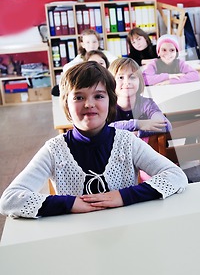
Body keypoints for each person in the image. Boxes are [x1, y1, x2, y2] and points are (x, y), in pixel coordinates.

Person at [0, 61, 187, 218]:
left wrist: (123, 196)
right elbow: (9, 200)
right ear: (66, 104)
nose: (89, 104)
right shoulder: (54, 150)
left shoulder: (127, 142)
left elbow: (176, 175)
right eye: (79, 97)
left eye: (98, 96)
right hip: (76, 237)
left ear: (110, 101)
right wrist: (70, 203)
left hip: (127, 229)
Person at [108, 57, 172, 138]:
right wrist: (138, 124)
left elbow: (165, 125)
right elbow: (104, 129)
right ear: (111, 81)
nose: (127, 82)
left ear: (140, 81)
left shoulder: (146, 104)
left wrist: (137, 134)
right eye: (121, 77)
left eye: (132, 77)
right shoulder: (107, 106)